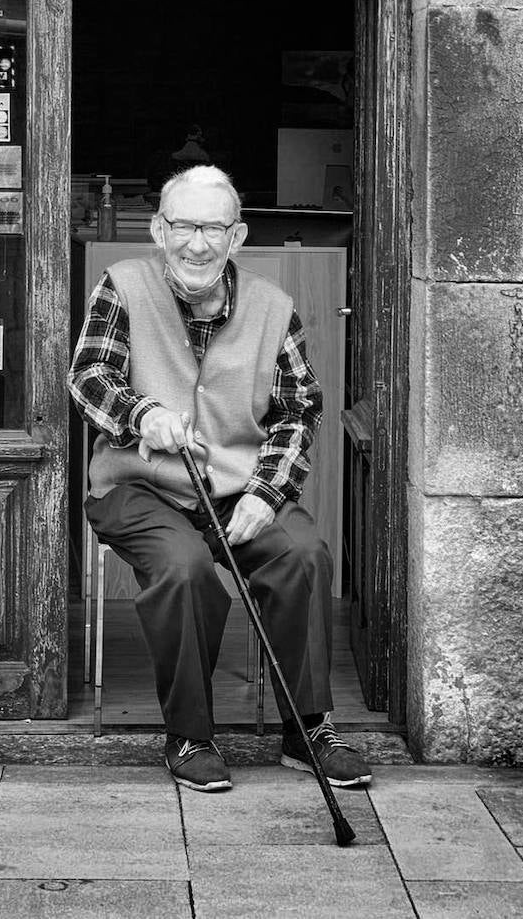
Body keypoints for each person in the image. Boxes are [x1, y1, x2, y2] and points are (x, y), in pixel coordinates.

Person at [68, 164, 371, 792]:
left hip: (237, 488)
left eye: (213, 228)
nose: (196, 243)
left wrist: (266, 493)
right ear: (158, 229)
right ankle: (189, 734)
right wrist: (140, 413)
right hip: (138, 486)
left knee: (304, 556)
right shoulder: (122, 286)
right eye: (182, 226)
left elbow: (296, 413)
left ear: (237, 236)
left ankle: (308, 729)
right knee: (183, 568)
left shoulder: (272, 308)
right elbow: (88, 377)